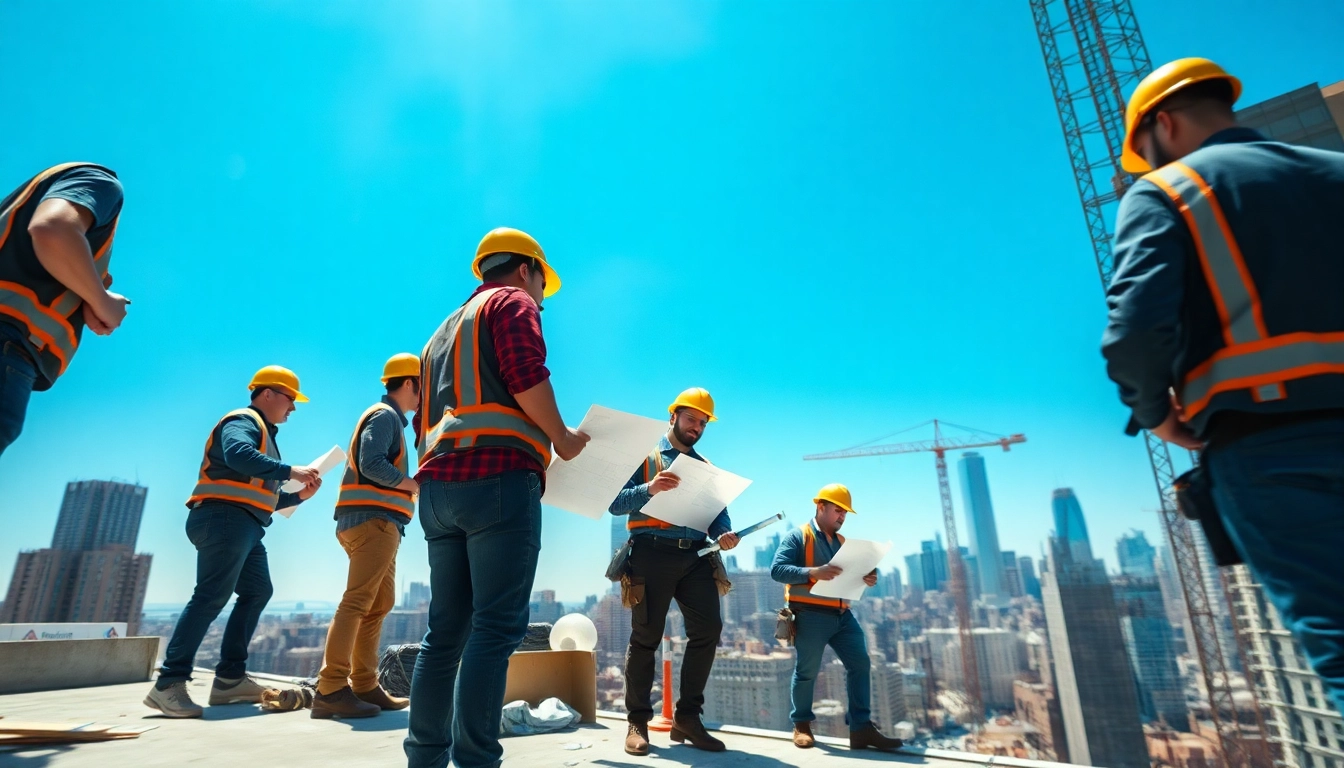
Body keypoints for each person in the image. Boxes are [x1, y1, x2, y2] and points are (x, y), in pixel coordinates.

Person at [1104, 58, 1344, 716]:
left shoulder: (1165, 192)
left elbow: (1134, 330)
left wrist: (1156, 414)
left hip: (1271, 448)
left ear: (1164, 122)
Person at [405, 228, 589, 768]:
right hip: (497, 482)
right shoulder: (513, 303)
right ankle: (477, 760)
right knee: (495, 628)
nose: (539, 296)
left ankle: (425, 757)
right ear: (527, 269)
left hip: (438, 491)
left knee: (445, 634)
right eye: (540, 284)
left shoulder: (438, 335)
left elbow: (425, 422)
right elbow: (526, 374)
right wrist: (562, 438)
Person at [143, 366, 321, 718]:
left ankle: (229, 680)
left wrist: (299, 496)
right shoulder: (243, 421)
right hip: (224, 519)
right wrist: (290, 471)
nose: (294, 408)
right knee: (211, 596)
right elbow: (238, 455)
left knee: (257, 591)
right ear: (266, 393)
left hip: (245, 523)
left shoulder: (266, 437)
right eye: (290, 399)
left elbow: (261, 496)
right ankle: (169, 683)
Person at [609, 387, 740, 756]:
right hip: (651, 553)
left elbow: (718, 514)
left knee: (708, 629)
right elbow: (615, 503)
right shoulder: (646, 458)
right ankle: (637, 722)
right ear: (673, 417)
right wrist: (648, 489)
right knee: (646, 636)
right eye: (691, 419)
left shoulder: (706, 467)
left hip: (697, 556)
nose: (696, 427)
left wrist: (724, 534)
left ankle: (687, 719)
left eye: (702, 423)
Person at [313, 353, 422, 719]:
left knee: (378, 605)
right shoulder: (385, 416)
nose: (424, 397)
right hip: (372, 522)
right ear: (409, 383)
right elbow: (371, 461)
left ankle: (363, 684)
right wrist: (412, 484)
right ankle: (330, 689)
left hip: (379, 523)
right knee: (358, 602)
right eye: (422, 387)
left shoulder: (390, 419)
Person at [0, 163, 130, 457]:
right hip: (9, 339)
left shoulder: (16, 207)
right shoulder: (101, 181)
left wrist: (85, 296)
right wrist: (103, 302)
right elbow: (54, 229)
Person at [770, 484, 903, 751]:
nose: (842, 517)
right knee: (807, 671)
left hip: (843, 616)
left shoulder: (843, 544)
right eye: (838, 510)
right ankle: (802, 725)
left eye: (845, 513)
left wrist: (869, 576)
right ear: (821, 507)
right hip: (809, 615)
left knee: (860, 664)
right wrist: (813, 572)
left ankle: (862, 729)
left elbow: (853, 574)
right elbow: (777, 570)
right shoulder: (798, 537)